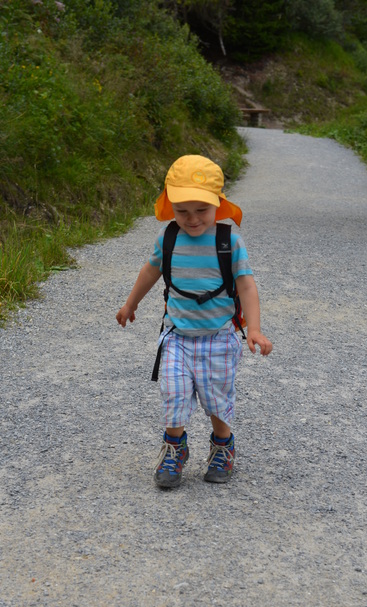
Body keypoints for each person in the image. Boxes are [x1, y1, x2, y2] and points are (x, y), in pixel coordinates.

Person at [116, 154, 272, 488]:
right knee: (174, 394)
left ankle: (222, 446)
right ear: (170, 206)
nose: (192, 219)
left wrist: (254, 329)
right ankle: (174, 449)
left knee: (217, 400)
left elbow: (246, 285)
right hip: (177, 336)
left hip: (219, 337)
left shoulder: (229, 242)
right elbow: (151, 271)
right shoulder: (169, 238)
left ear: (218, 203)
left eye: (201, 210)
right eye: (182, 211)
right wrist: (130, 304)